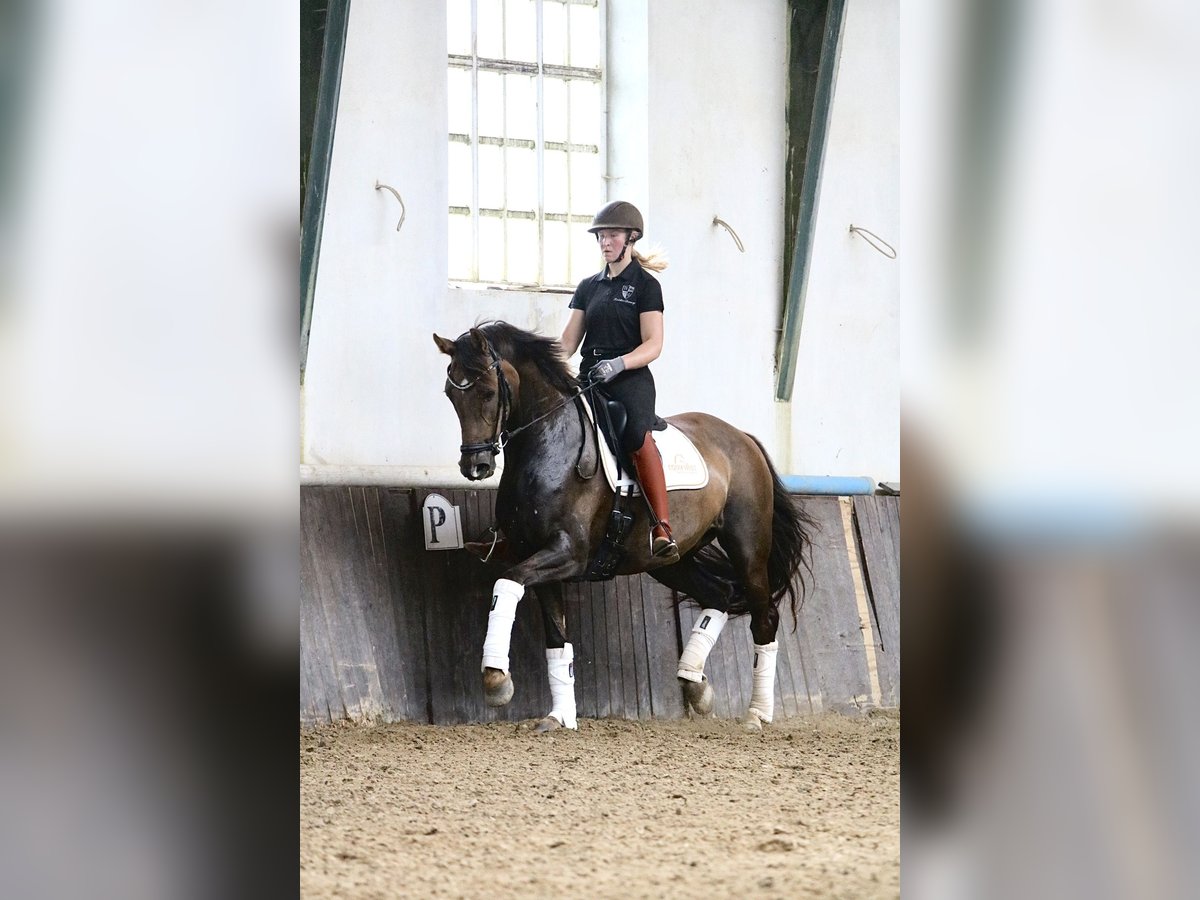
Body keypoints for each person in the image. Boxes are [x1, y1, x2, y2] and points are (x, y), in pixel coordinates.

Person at [559, 201, 679, 560]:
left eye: (611, 235)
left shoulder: (645, 286)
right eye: (601, 236)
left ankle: (661, 526)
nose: (605, 242)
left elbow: (654, 344)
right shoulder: (588, 287)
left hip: (630, 378)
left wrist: (619, 364)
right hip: (590, 378)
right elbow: (567, 342)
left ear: (631, 238)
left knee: (635, 435)